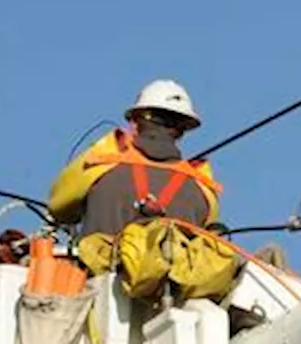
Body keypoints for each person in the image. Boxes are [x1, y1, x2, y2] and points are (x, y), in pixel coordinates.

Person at [48, 79, 222, 237]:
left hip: (97, 270)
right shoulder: (203, 188)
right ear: (181, 131)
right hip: (176, 273)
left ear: (135, 122)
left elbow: (58, 206)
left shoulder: (100, 161)